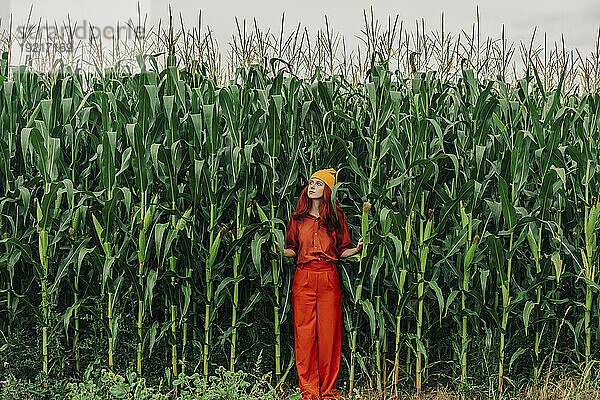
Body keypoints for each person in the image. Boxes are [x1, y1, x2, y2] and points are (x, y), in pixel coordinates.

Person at [274, 168, 363, 400]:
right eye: (311, 183)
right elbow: (292, 249)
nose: (312, 186)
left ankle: (328, 391)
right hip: (303, 277)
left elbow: (343, 249)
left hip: (328, 277)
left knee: (329, 335)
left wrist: (356, 250)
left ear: (328, 191)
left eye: (318, 184)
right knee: (304, 335)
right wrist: (277, 250)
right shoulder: (297, 219)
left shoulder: (336, 217)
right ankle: (309, 391)